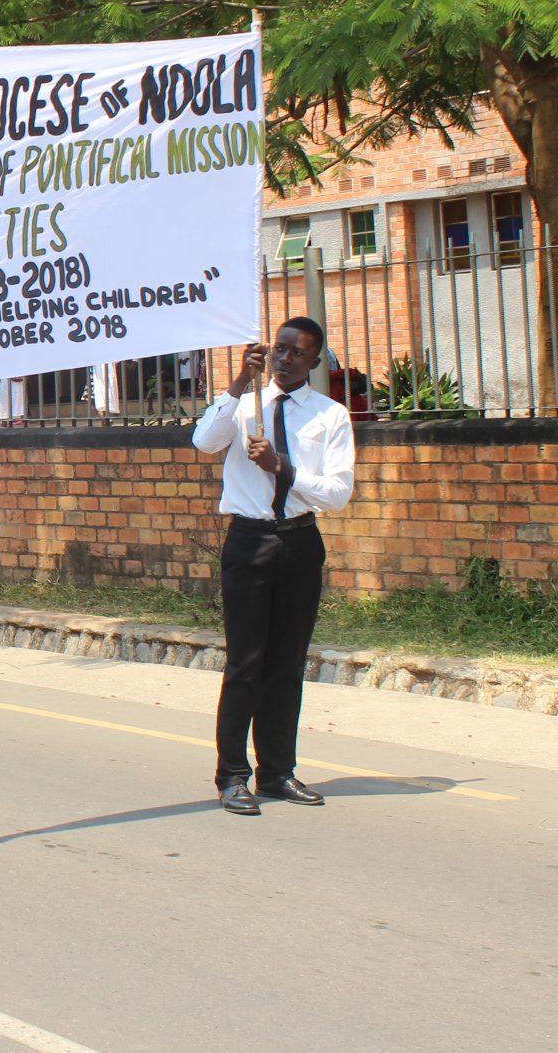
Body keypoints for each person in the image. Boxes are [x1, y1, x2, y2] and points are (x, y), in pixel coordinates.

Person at [192, 317, 356, 816]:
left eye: (296, 353)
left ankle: (277, 771)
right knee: (246, 663)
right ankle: (232, 775)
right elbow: (204, 441)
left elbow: (338, 493)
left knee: (287, 664)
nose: (284, 359)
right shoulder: (243, 407)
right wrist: (241, 380)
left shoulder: (330, 416)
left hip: (300, 543)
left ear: (314, 361)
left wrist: (282, 467)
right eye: (279, 349)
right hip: (249, 541)